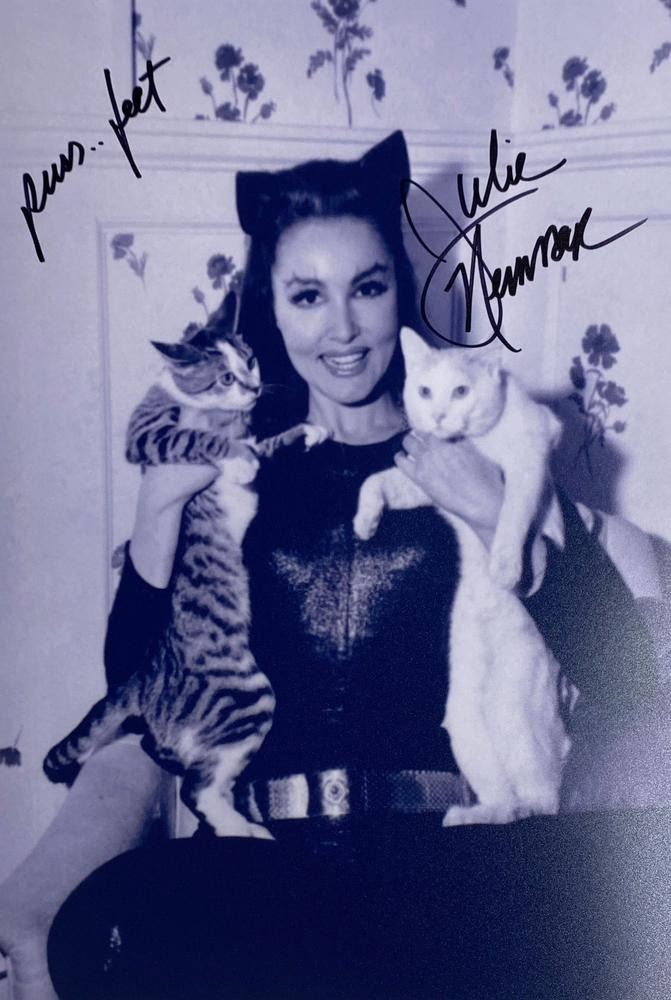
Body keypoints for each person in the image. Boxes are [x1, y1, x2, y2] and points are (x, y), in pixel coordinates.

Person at [1, 131, 669, 1000]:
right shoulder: (240, 475)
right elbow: (141, 688)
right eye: (308, 296)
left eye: (368, 288)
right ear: (273, 309)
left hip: (447, 872)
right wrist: (157, 509)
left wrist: (486, 505)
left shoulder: (484, 445)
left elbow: (627, 676)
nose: (342, 328)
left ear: (399, 296)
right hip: (264, 877)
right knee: (100, 931)